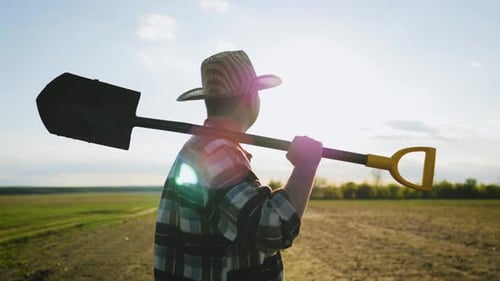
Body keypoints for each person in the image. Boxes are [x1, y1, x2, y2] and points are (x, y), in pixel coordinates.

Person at [154, 50, 323, 281]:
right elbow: (273, 229)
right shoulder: (216, 152)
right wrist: (306, 167)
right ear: (250, 98)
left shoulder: (205, 147)